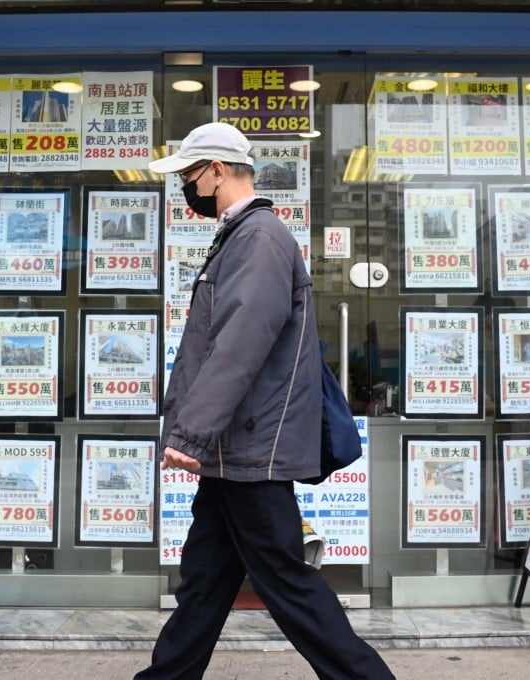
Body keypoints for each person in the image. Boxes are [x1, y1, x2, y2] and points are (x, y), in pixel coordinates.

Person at [135, 122, 395, 680]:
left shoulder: (258, 238)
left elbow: (238, 344)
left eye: (189, 175)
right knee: (204, 582)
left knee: (289, 585)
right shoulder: (243, 235)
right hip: (236, 453)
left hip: (252, 451)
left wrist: (189, 433)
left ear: (218, 172)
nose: (186, 187)